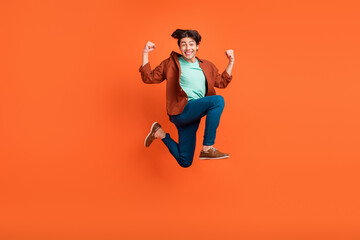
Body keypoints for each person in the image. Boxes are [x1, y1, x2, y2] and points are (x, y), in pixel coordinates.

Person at [139, 29, 235, 168]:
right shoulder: (171, 63)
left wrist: (231, 62)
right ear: (180, 47)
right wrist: (145, 53)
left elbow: (222, 82)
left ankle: (159, 133)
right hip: (182, 111)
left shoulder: (207, 66)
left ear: (197, 46)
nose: (187, 48)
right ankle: (207, 148)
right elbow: (148, 78)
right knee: (218, 101)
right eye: (183, 44)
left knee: (185, 162)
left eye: (191, 44)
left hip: (192, 117)